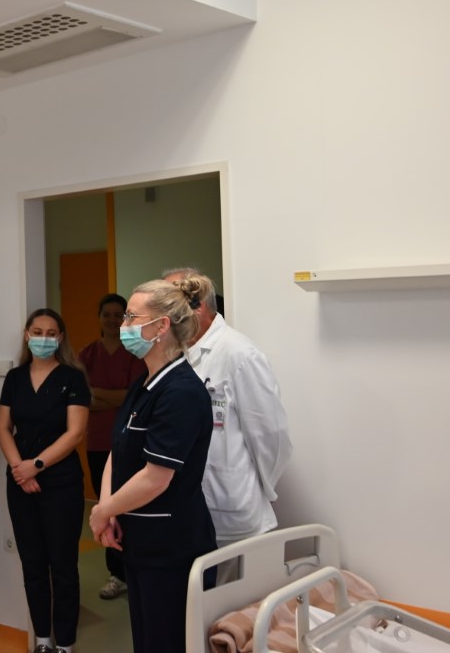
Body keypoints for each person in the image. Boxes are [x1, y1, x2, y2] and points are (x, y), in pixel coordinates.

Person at [88, 278, 216, 653]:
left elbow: (155, 477)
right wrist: (110, 508)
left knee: (166, 641)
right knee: (145, 640)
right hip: (137, 540)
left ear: (161, 326)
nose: (123, 325)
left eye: (131, 317)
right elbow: (117, 451)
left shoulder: (181, 392)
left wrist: (102, 511)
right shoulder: (143, 385)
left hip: (170, 547)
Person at [161, 268, 292, 547]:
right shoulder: (173, 353)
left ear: (197, 305)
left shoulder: (239, 353)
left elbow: (271, 436)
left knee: (233, 576)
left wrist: (255, 488)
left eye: (168, 304)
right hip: (189, 511)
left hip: (233, 511)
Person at [0, 309, 90, 653]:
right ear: (27, 334)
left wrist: (35, 466)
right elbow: (3, 427)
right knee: (32, 564)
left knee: (63, 566)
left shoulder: (72, 378)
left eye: (52, 333)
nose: (44, 338)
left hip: (61, 483)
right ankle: (42, 639)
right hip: (20, 481)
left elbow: (75, 432)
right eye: (37, 332)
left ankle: (64, 643)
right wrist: (18, 469)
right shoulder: (15, 378)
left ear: (60, 338)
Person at [77, 293, 147, 600]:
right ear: (99, 317)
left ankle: (134, 567)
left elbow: (132, 396)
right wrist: (116, 397)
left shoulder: (135, 353)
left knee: (130, 506)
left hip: (130, 443)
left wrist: (101, 394)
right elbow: (84, 400)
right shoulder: (87, 354)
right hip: (97, 442)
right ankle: (116, 573)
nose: (112, 319)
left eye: (119, 314)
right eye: (107, 314)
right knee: (105, 507)